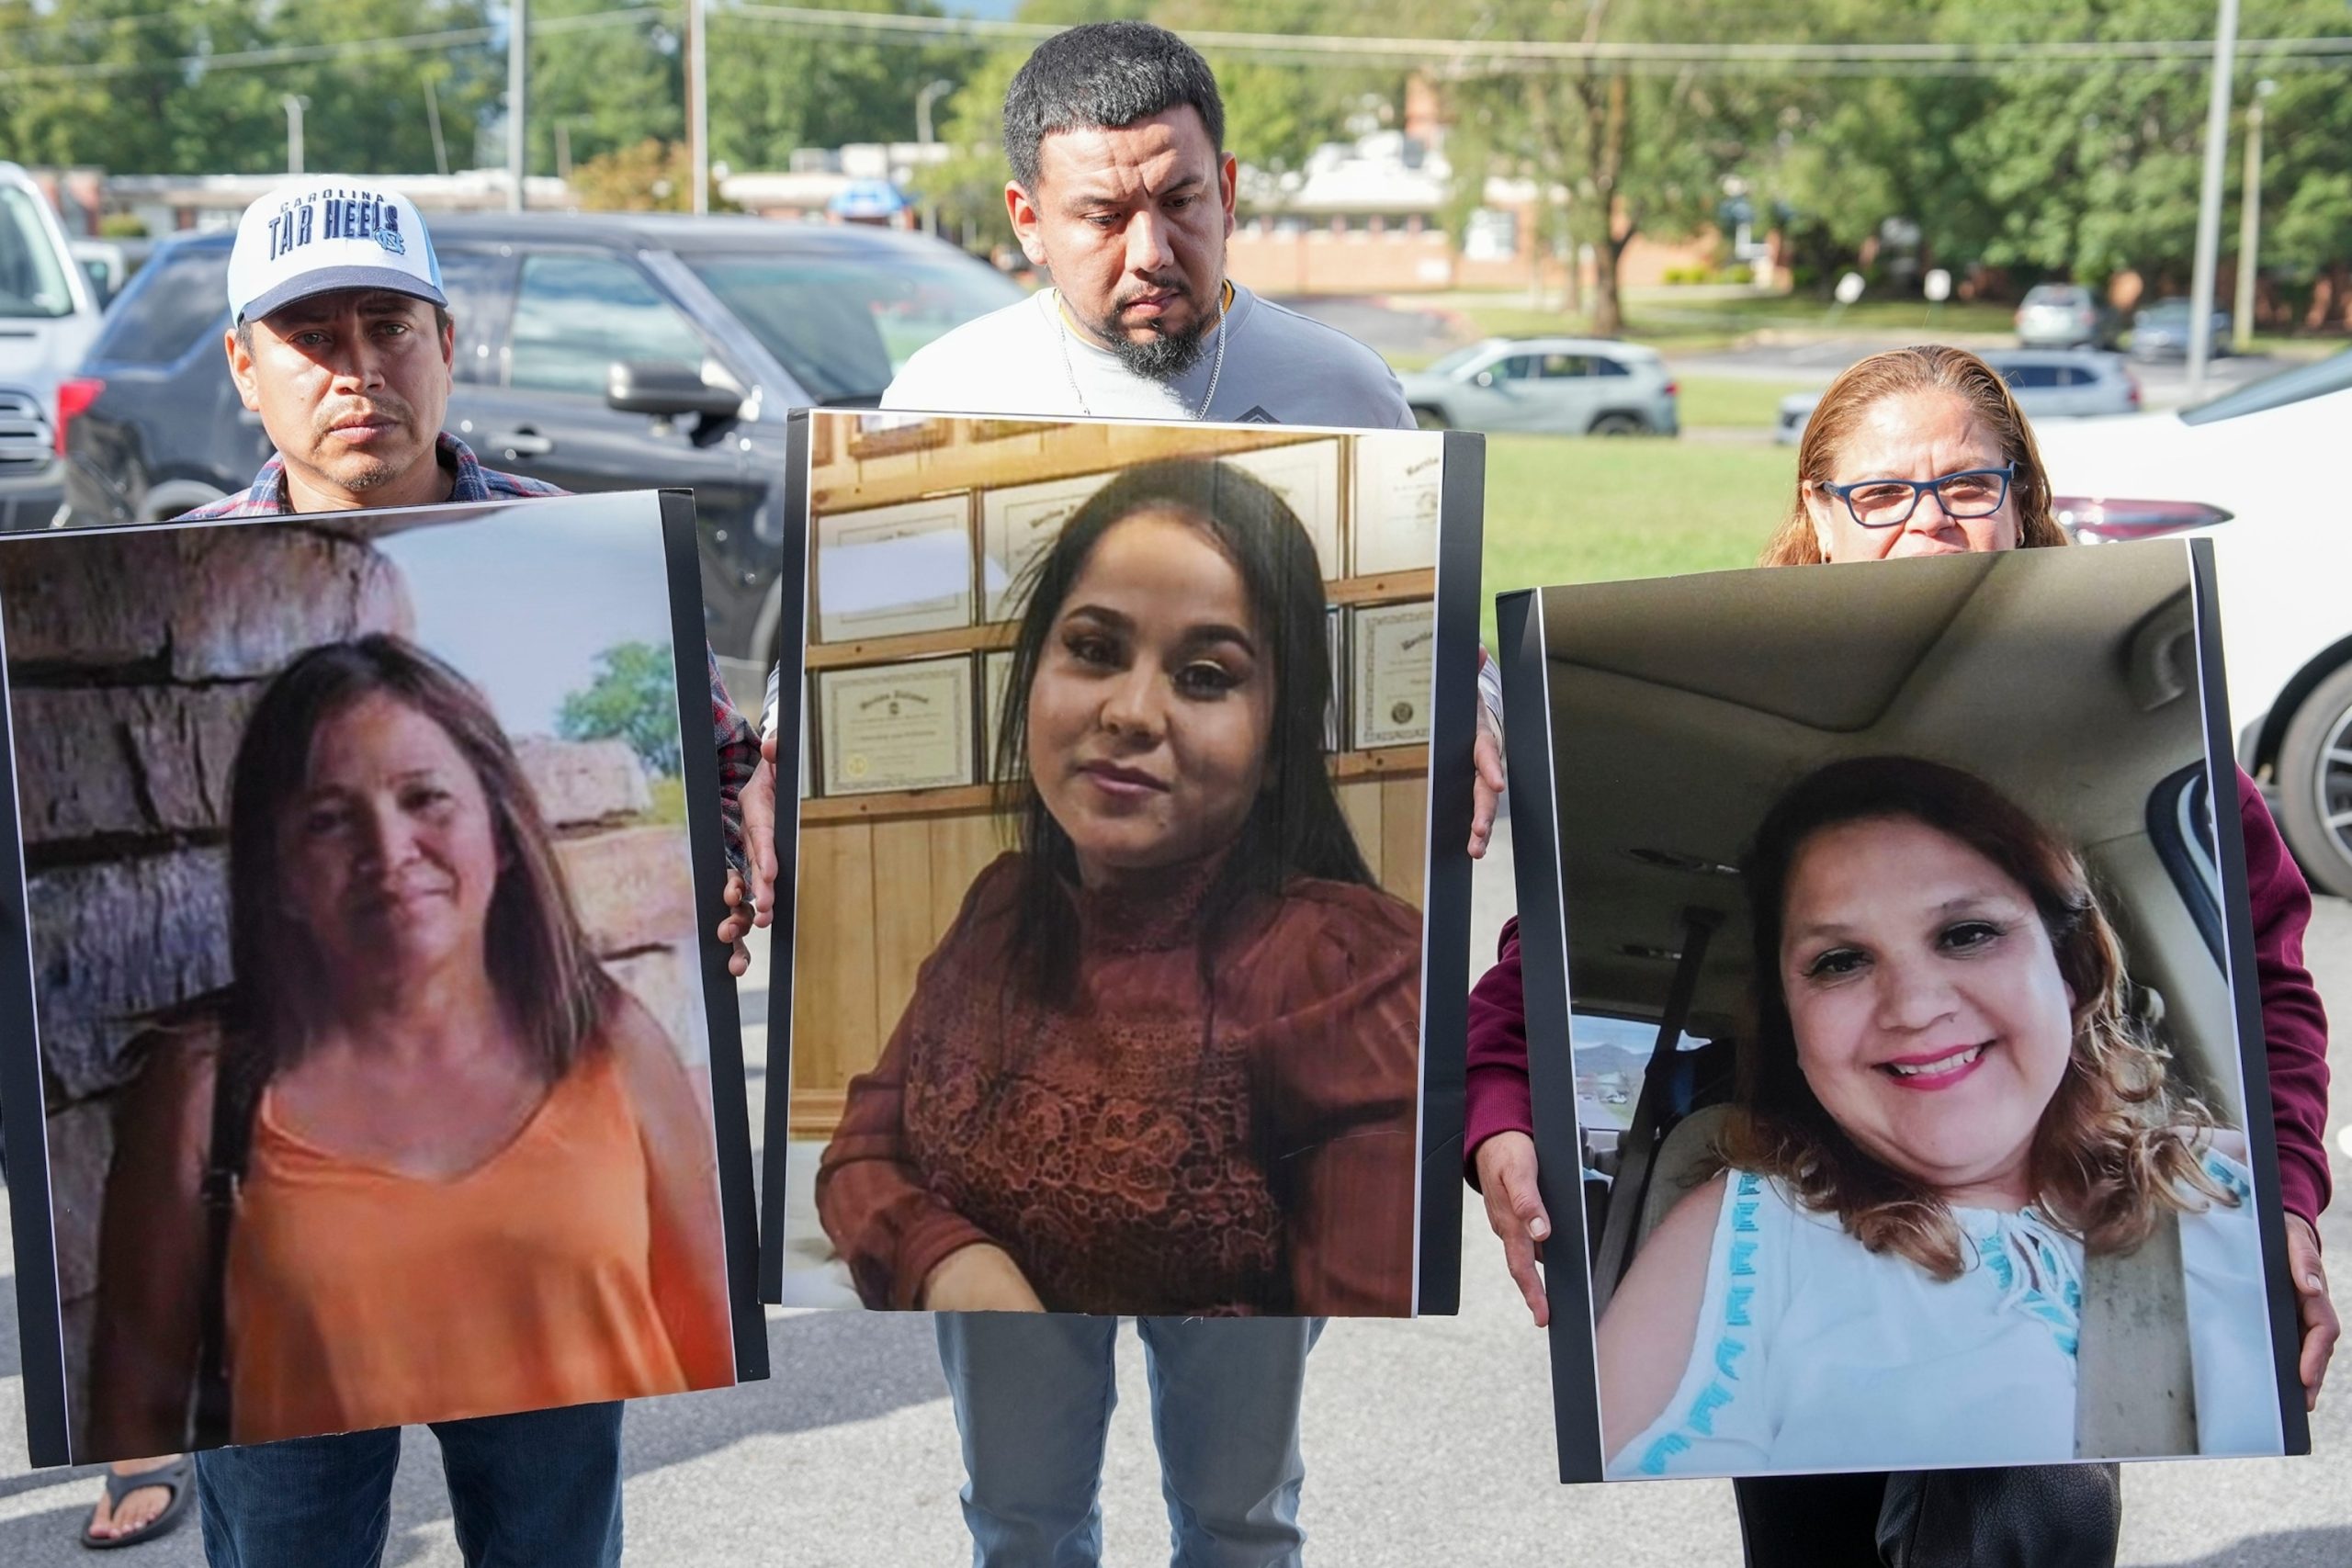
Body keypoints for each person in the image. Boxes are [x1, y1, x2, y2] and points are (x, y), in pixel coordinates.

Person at [1466, 345, 2335, 1564]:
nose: (1924, 523)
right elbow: (1527, 984)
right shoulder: (1732, 1239)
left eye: (1966, 485)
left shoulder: (2203, 1209)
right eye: (1877, 494)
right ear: (1814, 518)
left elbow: (2272, 983)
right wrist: (1505, 1125)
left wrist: (2289, 1202)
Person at [77, 175, 775, 1568]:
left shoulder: (585, 544)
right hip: (290, 1361)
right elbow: (141, 1337)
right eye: (310, 335)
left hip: (546, 1330)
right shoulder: (169, 570)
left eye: (389, 325)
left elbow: (728, 752)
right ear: (244, 365)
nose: (357, 368)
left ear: (447, 345)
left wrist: (745, 826)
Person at [876, 24, 1503, 1565]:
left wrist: (1474, 711)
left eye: (1183, 202)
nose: (1149, 248)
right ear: (1025, 218)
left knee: (1239, 1515)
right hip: (1010, 1218)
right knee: (1021, 1515)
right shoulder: (941, 388)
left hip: (1249, 1191)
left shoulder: (1340, 382)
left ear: (1230, 185)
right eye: (1101, 215)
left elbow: (1436, 641)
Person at [88, 635, 734, 1454]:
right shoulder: (200, 1087)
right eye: (328, 819)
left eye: (425, 797)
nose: (388, 853)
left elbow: (712, 1330)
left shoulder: (610, 1041)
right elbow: (134, 1406)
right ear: (279, 871)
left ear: (500, 832)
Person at [816, 459, 1420, 1318]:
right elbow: (861, 1154)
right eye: (1095, 651)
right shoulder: (1000, 906)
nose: (1132, 712)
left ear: (1279, 739)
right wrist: (954, 1266)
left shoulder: (1353, 973)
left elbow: (1369, 1359)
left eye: (1206, 676)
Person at [1600, 754, 2277, 1475]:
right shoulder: (1738, 1236)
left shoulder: (2243, 1186)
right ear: (1789, 1022)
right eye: (1840, 960)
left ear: (2070, 968)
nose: (1916, 1007)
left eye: (1967, 933)